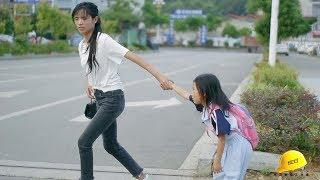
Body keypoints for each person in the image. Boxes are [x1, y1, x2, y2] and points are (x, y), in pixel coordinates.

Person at [72, 2, 172, 180]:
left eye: (84, 18)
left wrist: (160, 76)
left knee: (84, 142)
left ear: (95, 19)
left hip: (113, 99)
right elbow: (90, 67)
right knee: (110, 145)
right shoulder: (82, 45)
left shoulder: (104, 40)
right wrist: (90, 83)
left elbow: (136, 58)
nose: (80, 22)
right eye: (76, 18)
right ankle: (142, 176)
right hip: (101, 98)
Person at [169, 74, 252, 180]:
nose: (192, 93)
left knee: (230, 176)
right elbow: (186, 95)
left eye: (194, 90)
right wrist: (172, 85)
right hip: (229, 144)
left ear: (204, 94)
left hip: (238, 146)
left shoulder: (216, 112)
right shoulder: (206, 104)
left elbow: (222, 138)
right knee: (220, 175)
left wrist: (216, 162)